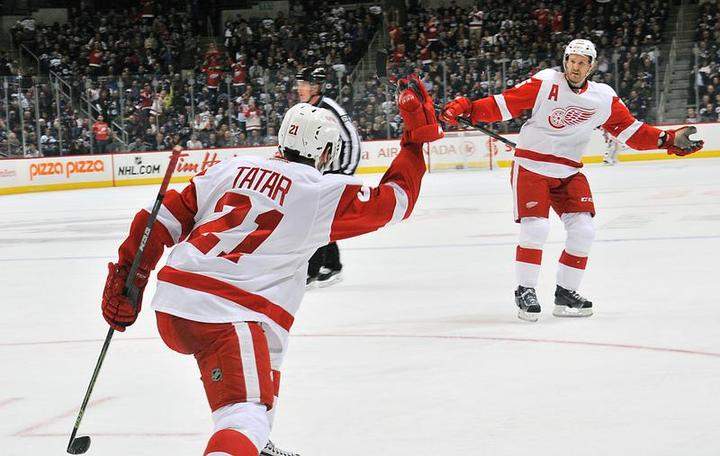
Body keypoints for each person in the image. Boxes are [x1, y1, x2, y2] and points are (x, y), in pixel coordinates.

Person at [101, 75, 443, 456]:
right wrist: (415, 138)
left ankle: (256, 445)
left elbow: (158, 220)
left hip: (176, 301)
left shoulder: (232, 168)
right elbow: (397, 200)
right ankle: (244, 440)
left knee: (266, 362)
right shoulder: (318, 191)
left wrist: (128, 277)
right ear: (325, 152)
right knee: (242, 415)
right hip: (227, 311)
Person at [441, 39, 704, 322]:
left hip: (568, 172)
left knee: (584, 231)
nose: (575, 67)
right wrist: (468, 108)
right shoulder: (546, 83)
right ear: (565, 61)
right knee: (537, 228)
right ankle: (525, 289)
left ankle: (566, 292)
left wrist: (667, 139)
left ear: (591, 67)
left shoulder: (603, 98)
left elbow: (631, 131)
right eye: (571, 61)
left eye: (582, 63)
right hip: (532, 167)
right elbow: (505, 105)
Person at [295, 66, 362, 287]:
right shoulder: (306, 108)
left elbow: (351, 137)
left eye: (304, 84)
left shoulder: (328, 108)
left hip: (335, 173)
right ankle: (329, 266)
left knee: (319, 219)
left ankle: (320, 268)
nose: (300, 89)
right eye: (299, 84)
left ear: (316, 86)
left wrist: (345, 172)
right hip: (322, 173)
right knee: (319, 219)